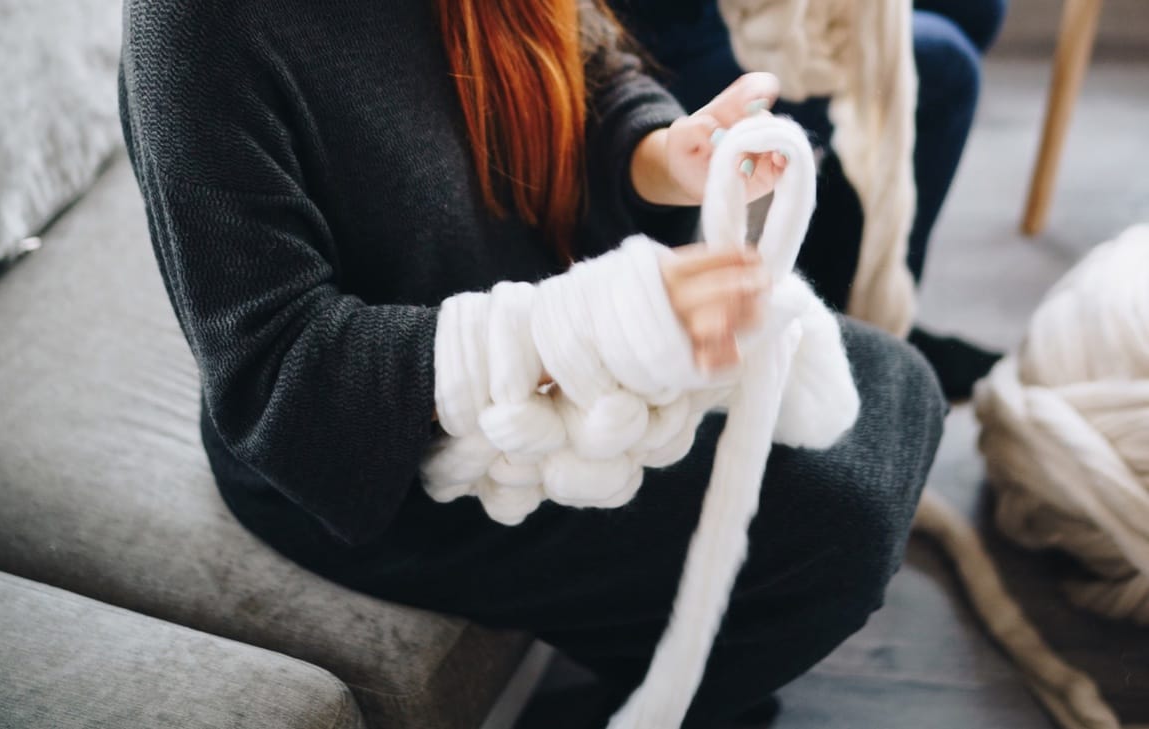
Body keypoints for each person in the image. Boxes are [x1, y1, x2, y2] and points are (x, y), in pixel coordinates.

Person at [118, 0, 945, 726]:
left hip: (528, 323)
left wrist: (660, 153)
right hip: (375, 451)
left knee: (900, 391)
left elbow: (588, 64)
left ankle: (701, 661)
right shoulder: (192, 27)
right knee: (838, 517)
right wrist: (591, 328)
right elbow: (281, 377)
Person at [609, 0, 1009, 402]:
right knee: (945, 65)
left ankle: (849, 295)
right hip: (664, 36)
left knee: (978, 9)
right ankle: (848, 329)